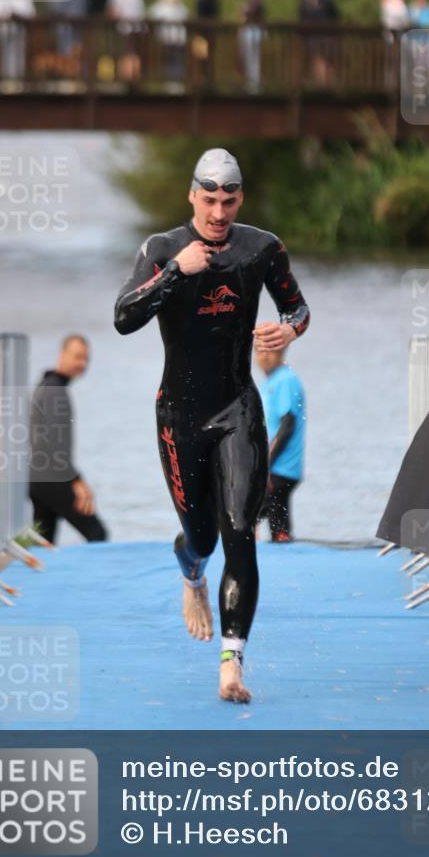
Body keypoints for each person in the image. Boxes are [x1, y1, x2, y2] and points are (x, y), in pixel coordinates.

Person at [114, 148, 310, 703]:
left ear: (239, 198)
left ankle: (232, 665)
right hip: (178, 415)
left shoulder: (261, 248)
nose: (219, 211)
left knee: (239, 532)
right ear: (192, 196)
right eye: (209, 200)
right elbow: (124, 317)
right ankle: (192, 576)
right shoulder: (162, 249)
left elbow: (297, 308)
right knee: (200, 536)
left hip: (237, 409)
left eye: (228, 200)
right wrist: (178, 272)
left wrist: (291, 332)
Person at [28, 335, 108, 544]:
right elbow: (55, 445)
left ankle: (37, 576)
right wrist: (78, 482)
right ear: (62, 355)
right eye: (77, 357)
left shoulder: (46, 383)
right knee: (97, 533)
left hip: (37, 478)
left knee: (43, 542)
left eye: (86, 359)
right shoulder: (55, 391)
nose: (82, 364)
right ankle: (98, 577)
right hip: (52, 476)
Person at [256, 348, 306, 542]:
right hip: (274, 467)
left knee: (248, 512)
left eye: (269, 352)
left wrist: (266, 464)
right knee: (278, 524)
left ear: (281, 353)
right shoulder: (270, 382)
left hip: (281, 467)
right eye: (259, 352)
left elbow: (287, 425)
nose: (264, 357)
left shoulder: (286, 380)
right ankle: (281, 542)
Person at [298, 0, 339, 86]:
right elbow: (302, 19)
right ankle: (322, 86)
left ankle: (330, 85)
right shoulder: (304, 2)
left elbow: (335, 16)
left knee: (330, 62)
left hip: (328, 36)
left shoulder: (327, 0)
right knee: (318, 61)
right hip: (313, 37)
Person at [47, 0, 90, 66]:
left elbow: (55, 6)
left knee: (65, 48)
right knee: (78, 47)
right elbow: (87, 3)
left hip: (64, 24)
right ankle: (81, 70)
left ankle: (68, 71)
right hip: (80, 21)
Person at [105, 0, 146, 80]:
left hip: (124, 26)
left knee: (125, 52)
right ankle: (135, 76)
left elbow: (113, 11)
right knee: (133, 52)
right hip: (138, 27)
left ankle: (126, 77)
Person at [148, 0, 189, 87]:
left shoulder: (159, 7)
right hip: (180, 40)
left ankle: (171, 83)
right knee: (177, 61)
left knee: (168, 60)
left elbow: (150, 17)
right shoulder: (182, 8)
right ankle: (176, 83)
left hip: (166, 39)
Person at [238, 0, 266, 92]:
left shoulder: (257, 3)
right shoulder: (255, 2)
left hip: (254, 32)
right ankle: (251, 82)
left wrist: (244, 11)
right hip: (250, 31)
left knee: (253, 58)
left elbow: (248, 15)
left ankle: (254, 83)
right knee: (249, 58)